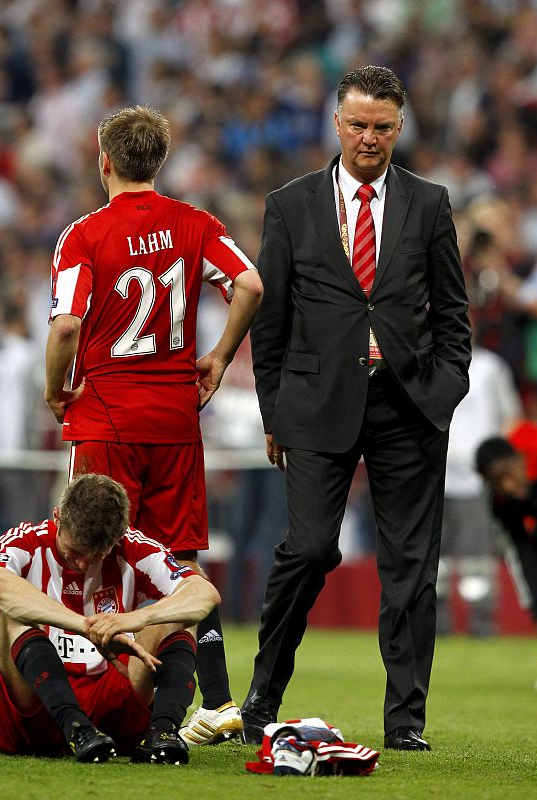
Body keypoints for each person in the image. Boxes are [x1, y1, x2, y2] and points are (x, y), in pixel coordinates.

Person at [242, 65, 471, 752]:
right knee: (309, 548)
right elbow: (269, 320)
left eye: (382, 127)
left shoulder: (429, 203)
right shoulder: (291, 204)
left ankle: (405, 722)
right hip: (314, 406)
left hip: (409, 408)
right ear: (335, 124)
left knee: (409, 569)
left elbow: (453, 312)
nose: (368, 137)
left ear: (398, 128)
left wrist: (444, 389)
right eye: (357, 124)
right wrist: (272, 414)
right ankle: (262, 694)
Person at [44, 106, 263, 746]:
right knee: (180, 558)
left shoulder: (83, 235)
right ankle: (218, 700)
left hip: (107, 413)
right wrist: (218, 357)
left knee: (91, 552)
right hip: (174, 415)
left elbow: (65, 325)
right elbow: (249, 284)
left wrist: (54, 389)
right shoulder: (195, 224)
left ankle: (99, 698)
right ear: (158, 163)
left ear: (104, 160)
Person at [0, 473, 220, 764]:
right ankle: (76, 726)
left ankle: (164, 731)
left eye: (95, 556)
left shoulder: (134, 547)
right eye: (74, 551)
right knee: (13, 612)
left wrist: (136, 619)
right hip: (32, 715)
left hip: (111, 706)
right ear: (57, 517)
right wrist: (84, 626)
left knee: (177, 611)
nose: (82, 564)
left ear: (116, 539)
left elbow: (204, 595)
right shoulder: (25, 542)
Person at [437, 345, 521, 636]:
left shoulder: (490, 367)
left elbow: (511, 418)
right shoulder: (425, 359)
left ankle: (482, 626)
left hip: (476, 481)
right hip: (433, 475)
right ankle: (436, 626)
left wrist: (496, 468)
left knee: (478, 562)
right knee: (435, 561)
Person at [474, 437, 537, 621]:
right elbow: (520, 551)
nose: (508, 485)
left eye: (508, 474)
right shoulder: (499, 502)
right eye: (497, 481)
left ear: (518, 460)